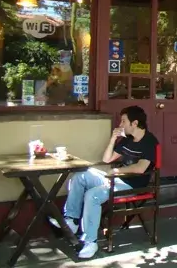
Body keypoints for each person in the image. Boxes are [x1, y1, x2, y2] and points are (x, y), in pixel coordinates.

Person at [49, 105, 159, 259]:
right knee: (80, 175)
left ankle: (90, 242)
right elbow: (106, 159)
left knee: (93, 195)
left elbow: (141, 168)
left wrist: (117, 171)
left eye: (123, 121)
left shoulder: (149, 141)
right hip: (116, 179)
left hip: (132, 185)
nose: (120, 125)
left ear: (134, 123)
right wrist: (113, 139)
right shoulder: (127, 140)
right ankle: (72, 220)